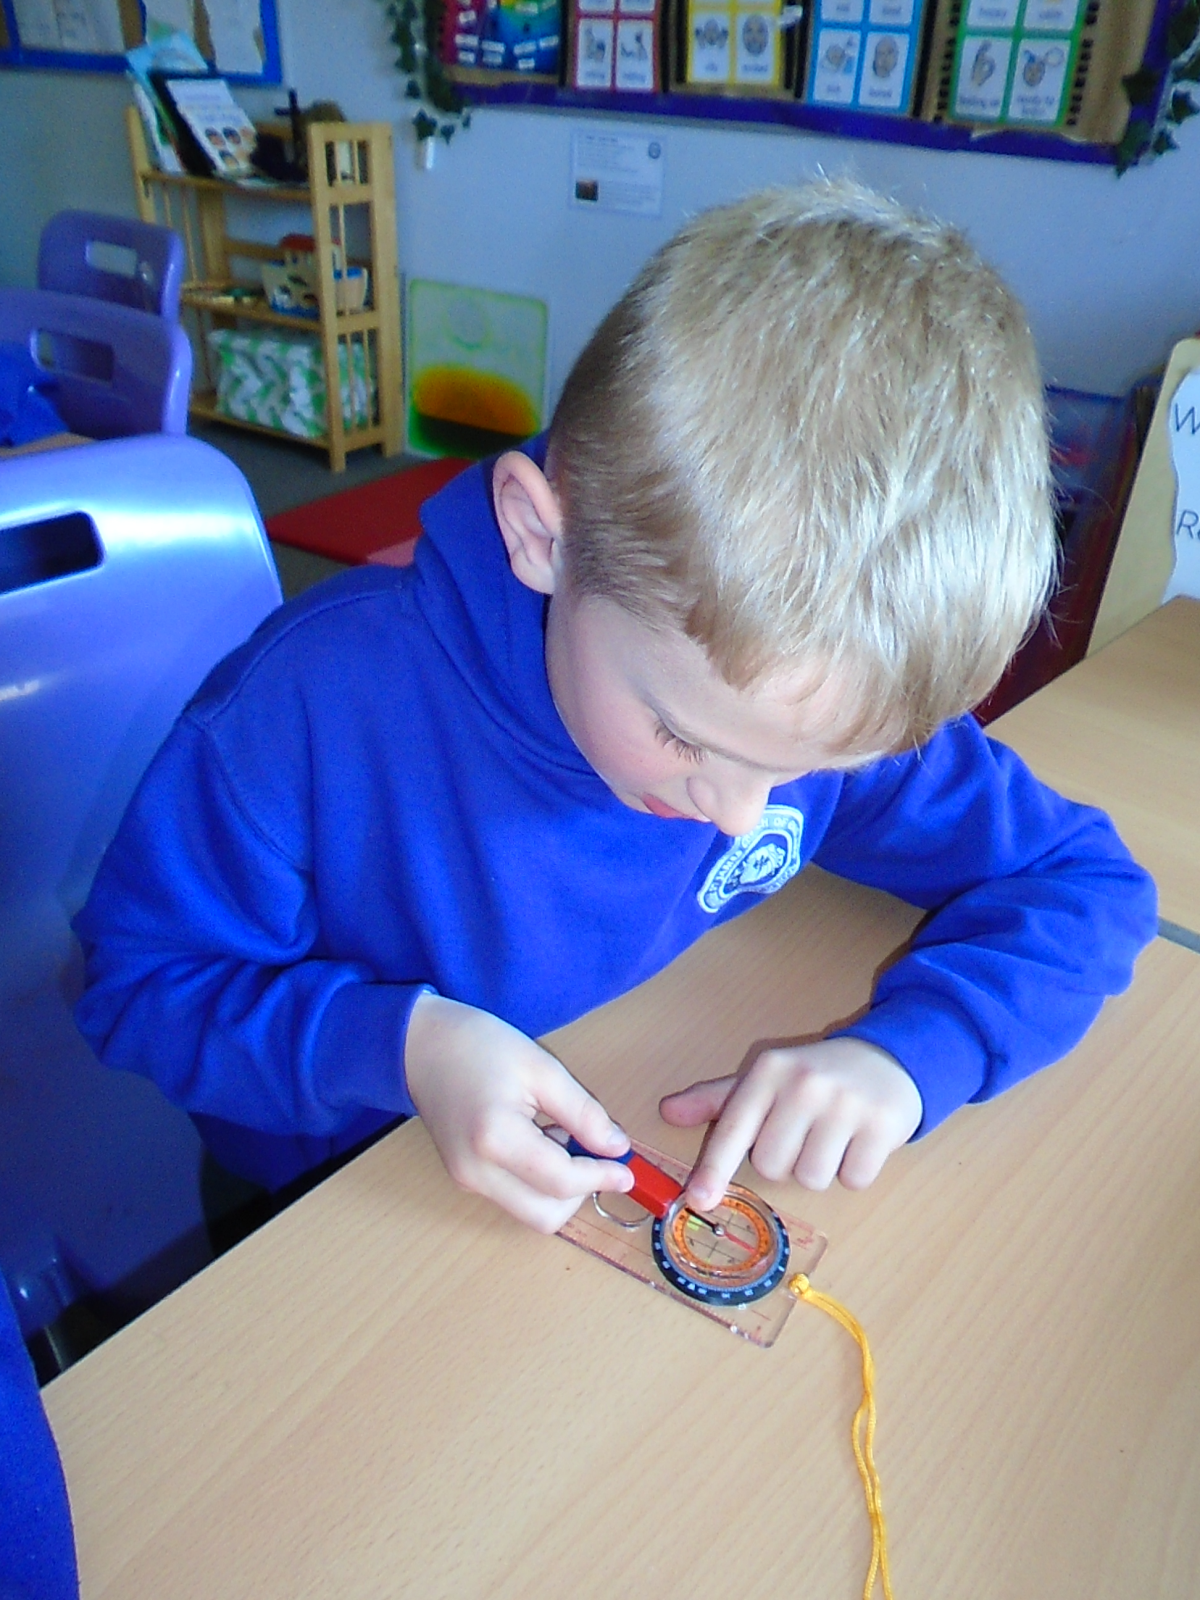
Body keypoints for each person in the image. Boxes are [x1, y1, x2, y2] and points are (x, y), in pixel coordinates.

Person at [73, 180, 1156, 1234]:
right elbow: (138, 986)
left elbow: (1089, 882)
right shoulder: (307, 712)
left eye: (806, 773)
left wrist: (913, 1056)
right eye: (683, 737)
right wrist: (395, 1045)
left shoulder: (812, 700)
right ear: (540, 537)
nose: (743, 815)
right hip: (333, 1193)